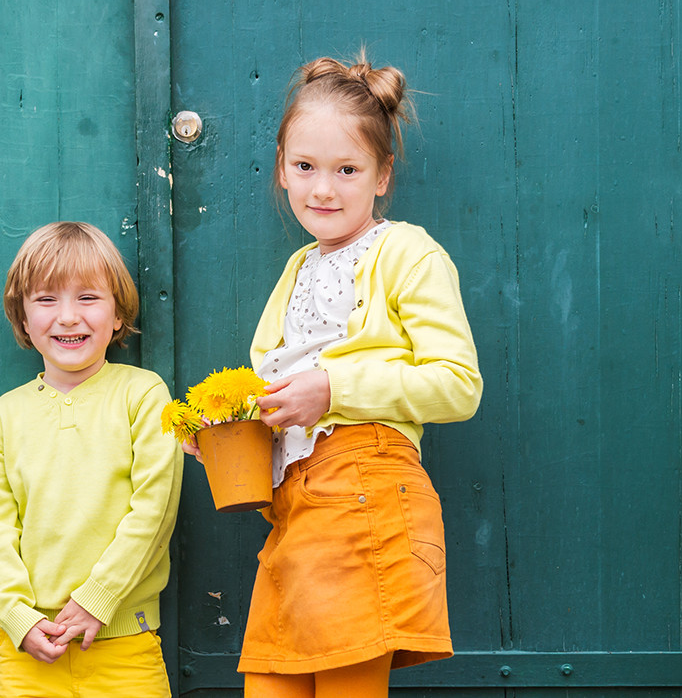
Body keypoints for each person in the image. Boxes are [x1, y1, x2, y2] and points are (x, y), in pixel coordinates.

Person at [184, 50, 483, 697]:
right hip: (296, 509)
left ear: (382, 176)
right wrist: (232, 431)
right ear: (281, 169)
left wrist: (334, 389)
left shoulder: (406, 252)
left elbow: (459, 384)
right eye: (305, 167)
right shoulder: (296, 269)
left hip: (365, 491)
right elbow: (279, 393)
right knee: (268, 683)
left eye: (347, 169)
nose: (323, 189)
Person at [0, 221, 184, 698]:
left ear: (118, 314)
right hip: (28, 652)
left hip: (124, 645)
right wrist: (17, 618)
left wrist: (97, 599)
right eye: (46, 299)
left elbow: (154, 512)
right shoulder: (2, 418)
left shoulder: (143, 395)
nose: (68, 317)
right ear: (24, 319)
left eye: (88, 297)